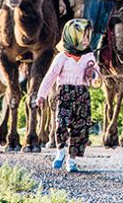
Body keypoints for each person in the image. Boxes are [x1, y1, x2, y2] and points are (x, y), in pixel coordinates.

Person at [37, 19, 99, 173]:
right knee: (61, 124)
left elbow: (97, 79)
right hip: (65, 94)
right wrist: (41, 95)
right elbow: (50, 77)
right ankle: (60, 152)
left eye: (87, 37)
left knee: (80, 129)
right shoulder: (62, 57)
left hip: (82, 95)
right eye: (82, 37)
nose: (86, 41)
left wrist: (93, 75)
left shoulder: (89, 56)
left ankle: (72, 161)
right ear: (72, 37)